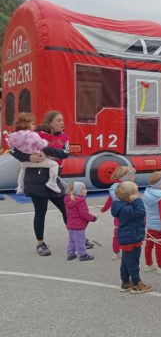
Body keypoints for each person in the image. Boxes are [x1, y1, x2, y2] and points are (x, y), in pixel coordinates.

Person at [9, 110, 92, 256]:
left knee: (67, 209)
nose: (62, 123)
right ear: (50, 122)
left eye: (62, 120)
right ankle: (40, 244)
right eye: (59, 120)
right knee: (40, 212)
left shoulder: (64, 137)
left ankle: (78, 237)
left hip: (54, 179)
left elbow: (64, 154)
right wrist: (28, 157)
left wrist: (45, 149)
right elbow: (13, 149)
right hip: (35, 178)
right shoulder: (36, 133)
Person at [111, 181, 152, 293]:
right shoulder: (127, 209)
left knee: (126, 262)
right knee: (133, 263)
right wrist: (137, 200)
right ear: (130, 196)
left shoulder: (121, 205)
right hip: (131, 238)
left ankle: (125, 282)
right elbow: (141, 213)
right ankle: (136, 284)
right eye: (136, 192)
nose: (138, 194)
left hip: (128, 237)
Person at [7, 113, 61, 194]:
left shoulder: (13, 136)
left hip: (24, 161)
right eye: (32, 124)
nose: (34, 126)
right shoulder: (33, 135)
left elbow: (11, 146)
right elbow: (40, 145)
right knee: (54, 164)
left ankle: (20, 187)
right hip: (35, 160)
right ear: (27, 125)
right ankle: (52, 183)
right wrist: (45, 142)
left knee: (22, 170)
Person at [101, 166, 136, 260]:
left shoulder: (113, 189)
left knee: (117, 233)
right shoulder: (127, 189)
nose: (134, 178)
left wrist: (104, 209)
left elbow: (109, 200)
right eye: (132, 176)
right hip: (128, 215)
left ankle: (116, 252)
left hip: (118, 216)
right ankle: (128, 251)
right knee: (128, 232)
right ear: (125, 178)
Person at [142, 170, 161, 274]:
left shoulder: (147, 192)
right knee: (159, 245)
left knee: (149, 244)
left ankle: (149, 264)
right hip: (159, 225)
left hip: (149, 223)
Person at [64, 181, 97, 261]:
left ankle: (71, 253)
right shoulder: (81, 201)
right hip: (79, 225)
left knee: (72, 240)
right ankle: (83, 255)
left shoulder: (68, 199)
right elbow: (83, 213)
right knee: (80, 241)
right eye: (84, 189)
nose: (86, 190)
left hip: (71, 224)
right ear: (79, 191)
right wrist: (92, 218)